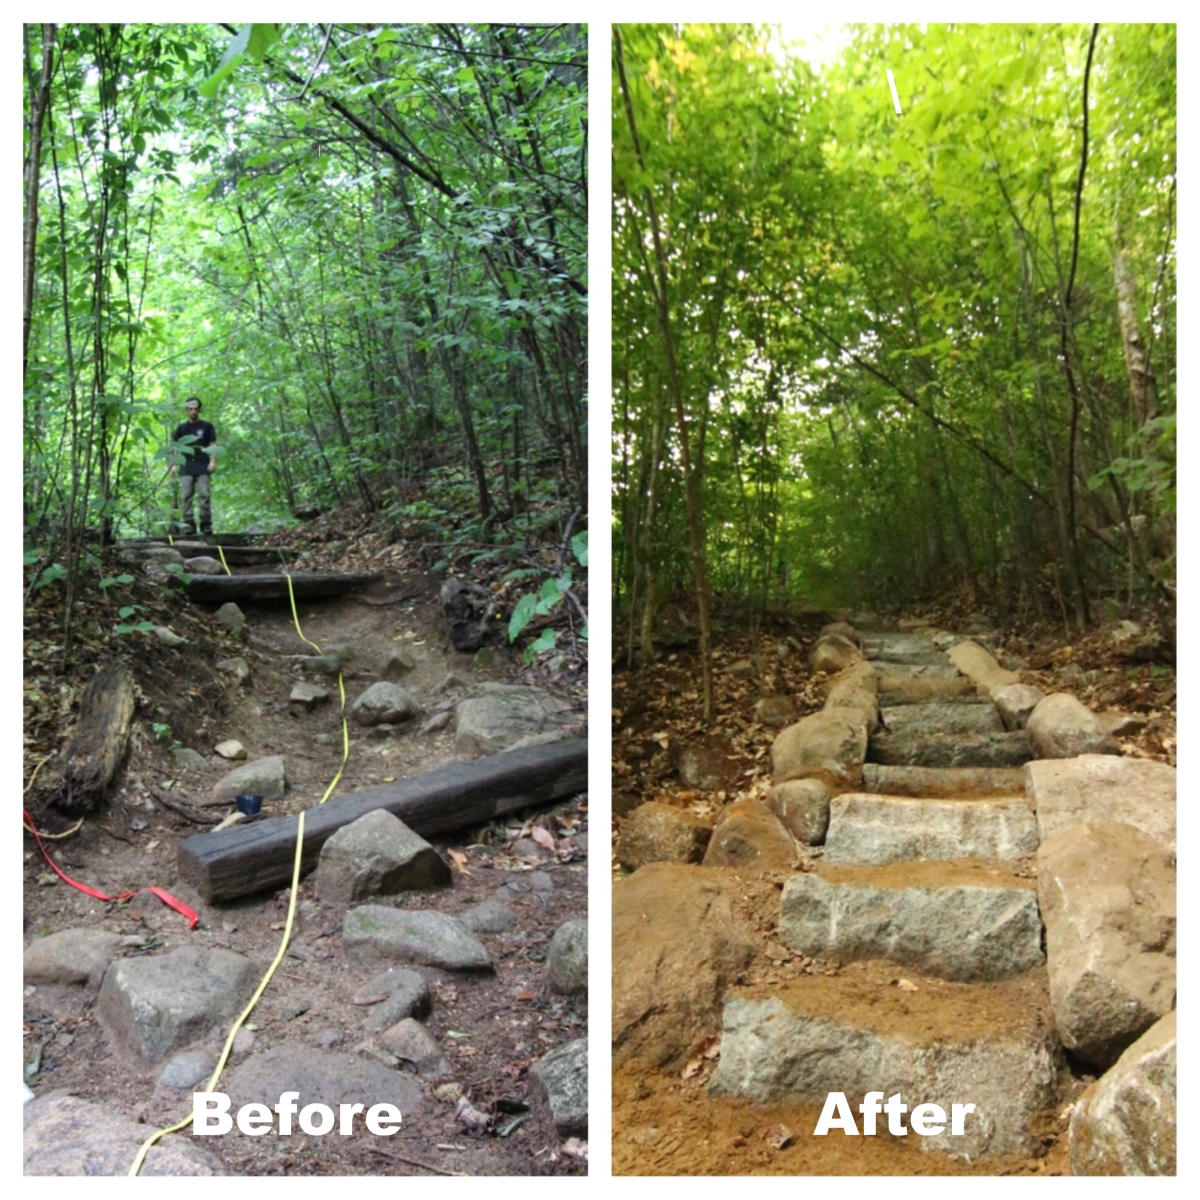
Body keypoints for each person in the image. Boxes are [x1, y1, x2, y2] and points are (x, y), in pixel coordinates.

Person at [169, 397, 217, 537]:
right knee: (186, 496)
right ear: (186, 410)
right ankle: (189, 525)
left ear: (199, 410)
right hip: (186, 466)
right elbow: (176, 447)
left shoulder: (207, 426)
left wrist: (213, 461)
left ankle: (206, 524)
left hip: (203, 465)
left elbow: (213, 444)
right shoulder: (182, 428)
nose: (193, 411)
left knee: (204, 494)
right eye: (190, 409)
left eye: (195, 409)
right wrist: (174, 464)